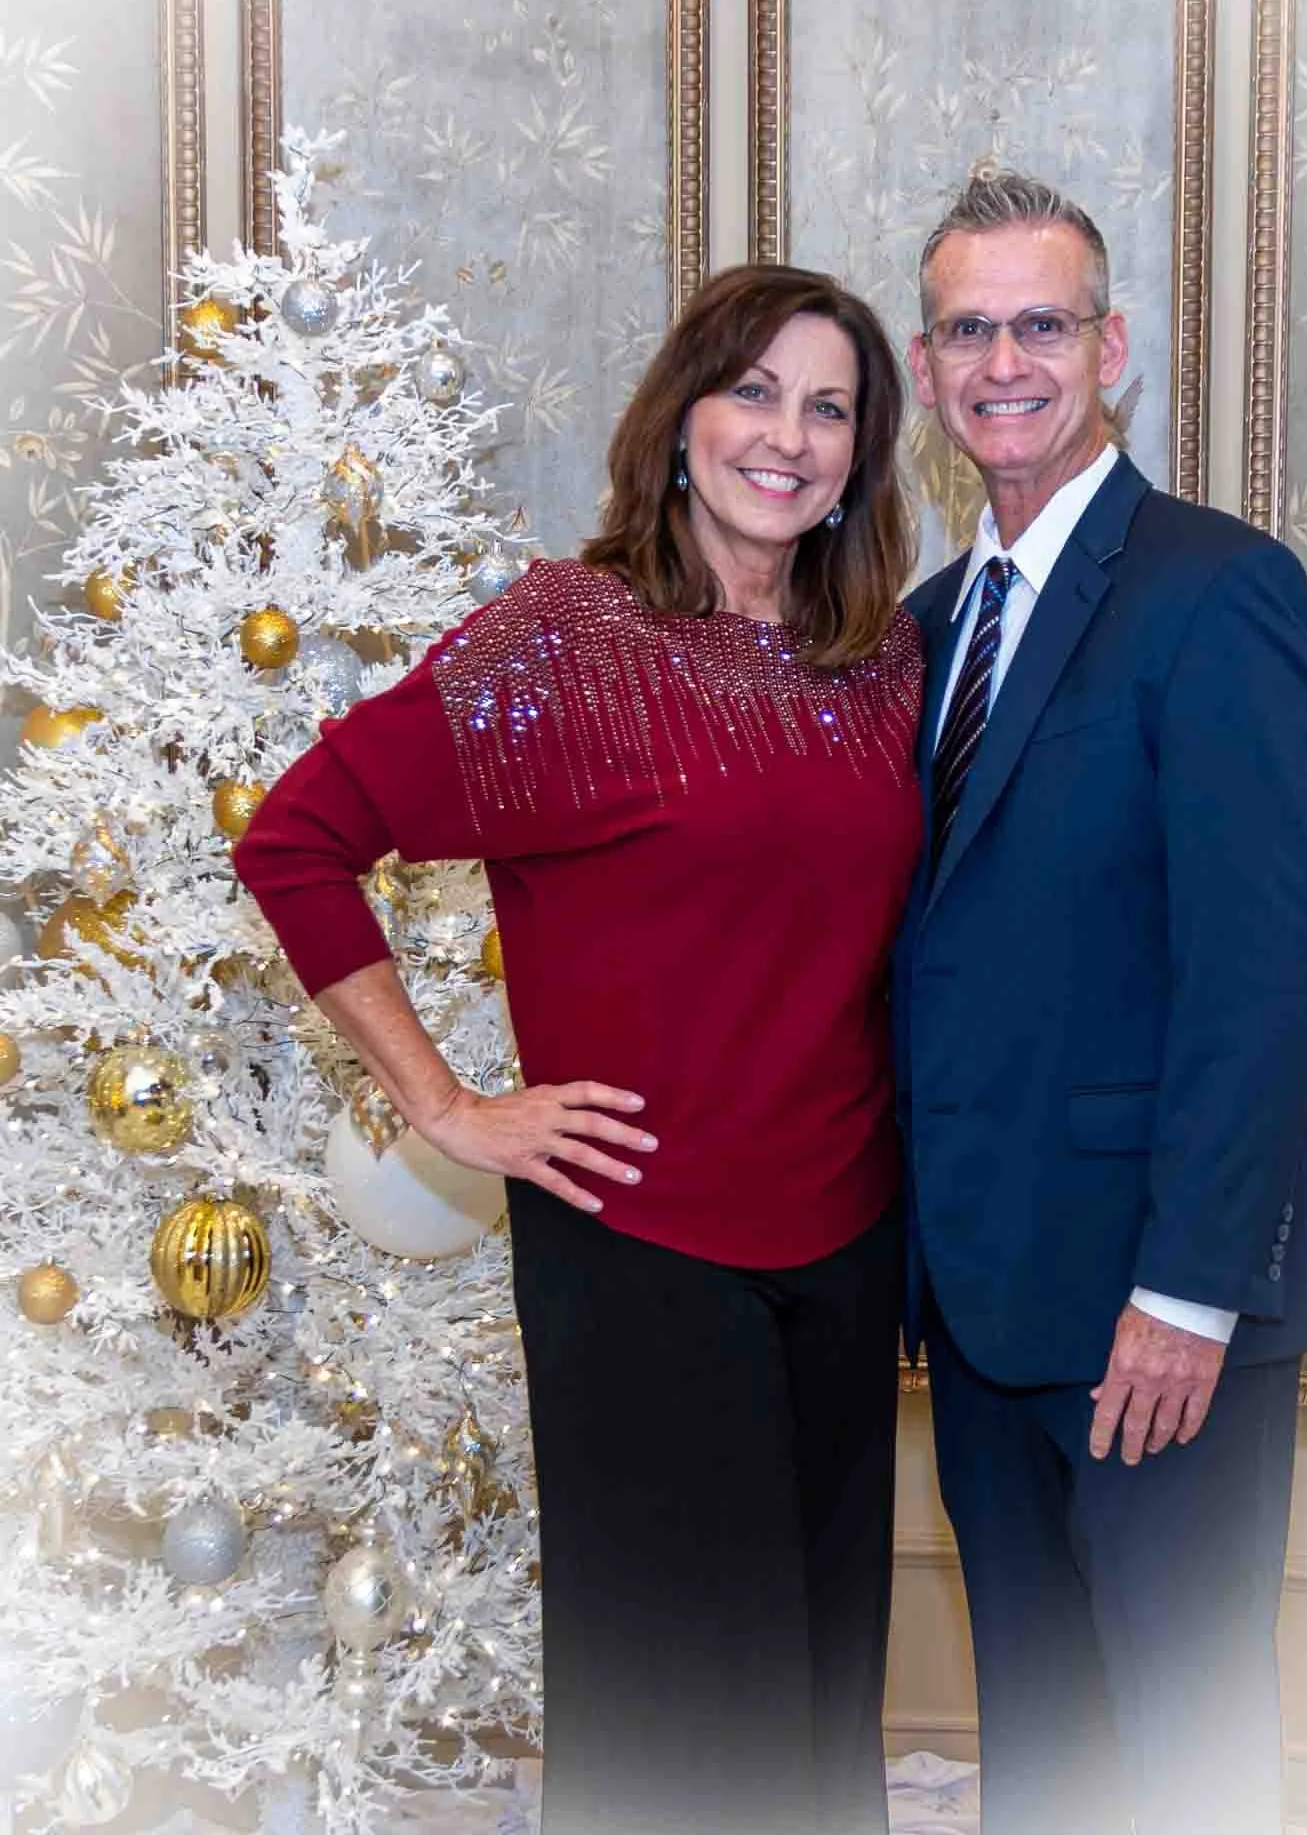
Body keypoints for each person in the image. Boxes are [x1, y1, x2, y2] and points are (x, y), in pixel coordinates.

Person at [234, 263, 923, 1835]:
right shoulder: (566, 640)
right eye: (753, 391)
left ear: (863, 457)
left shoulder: (880, 665)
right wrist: (446, 1107)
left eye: (830, 409)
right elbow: (298, 841)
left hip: (845, 1235)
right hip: (640, 1250)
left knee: (820, 1709)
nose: (788, 436)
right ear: (679, 422)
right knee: (684, 1719)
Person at [892, 170, 1307, 1835]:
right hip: (984, 1307)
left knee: (1184, 1752)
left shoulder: (1216, 590)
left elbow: (1264, 967)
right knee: (1048, 1750)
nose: (1004, 357)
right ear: (929, 367)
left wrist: (1190, 1293)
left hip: (1161, 1326)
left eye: (1041, 321)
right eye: (968, 328)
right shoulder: (931, 629)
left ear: (1112, 347)